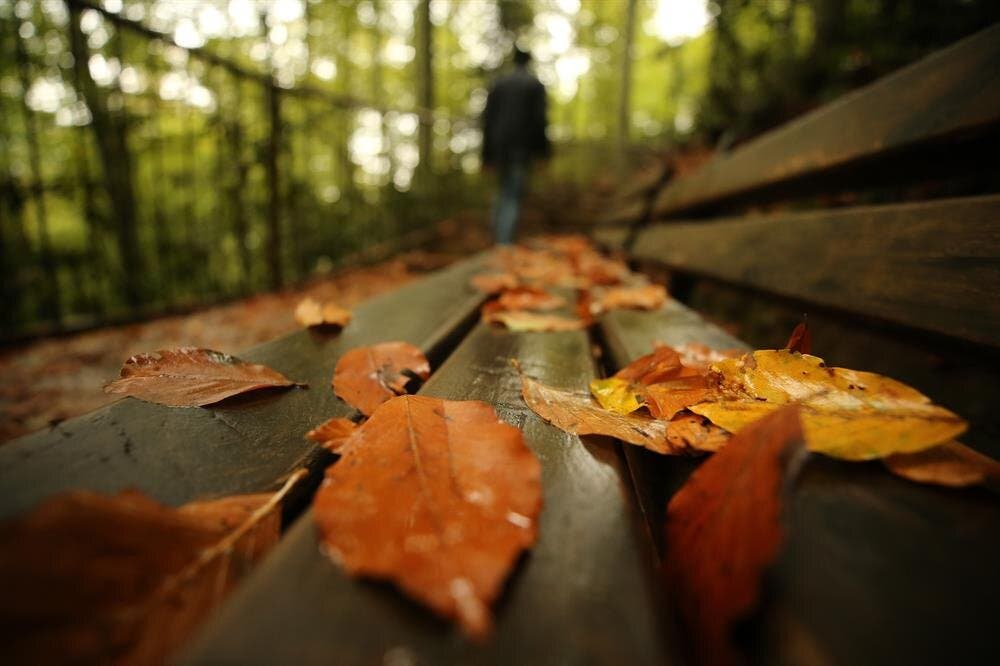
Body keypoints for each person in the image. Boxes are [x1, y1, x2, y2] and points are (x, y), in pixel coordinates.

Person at [482, 48, 551, 245]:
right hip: (521, 149)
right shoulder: (534, 85)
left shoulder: (498, 84)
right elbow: (540, 121)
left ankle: (498, 240)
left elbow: (487, 121)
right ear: (528, 62)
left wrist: (486, 156)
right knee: (512, 194)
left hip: (498, 149)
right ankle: (503, 244)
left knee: (502, 192)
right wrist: (543, 153)